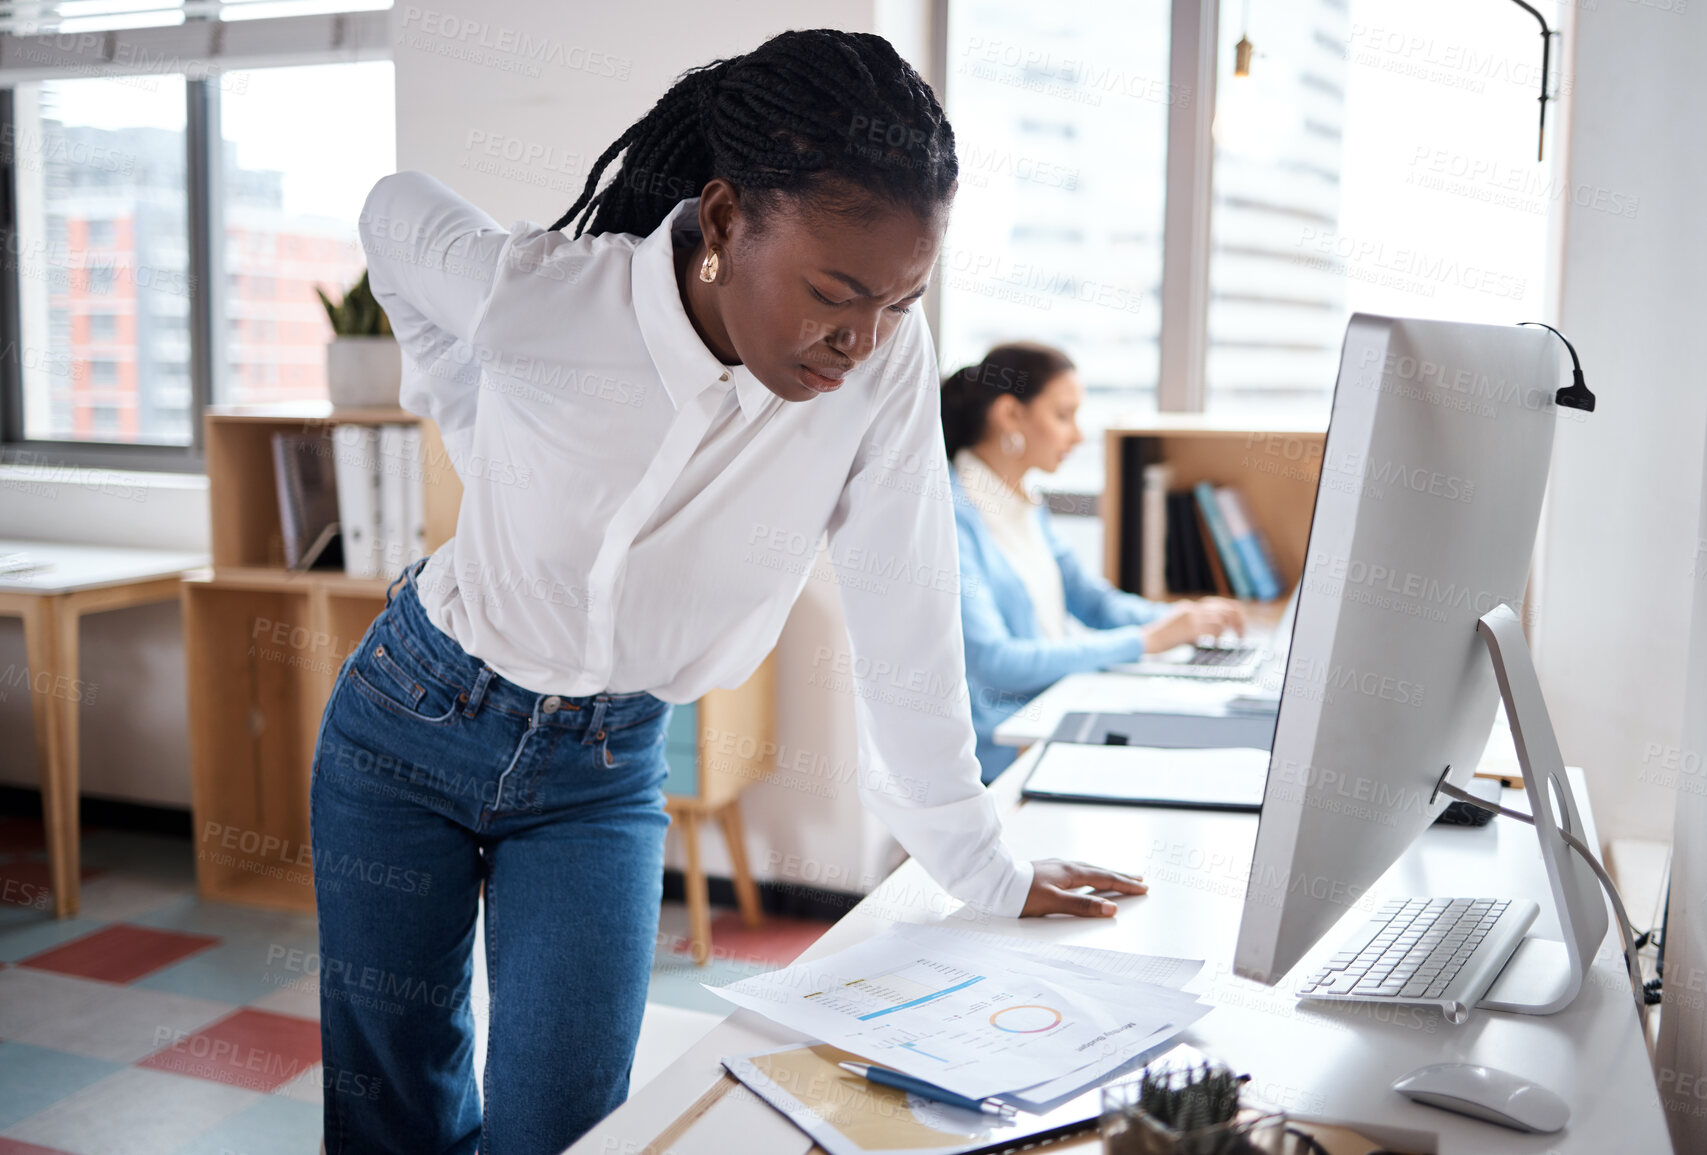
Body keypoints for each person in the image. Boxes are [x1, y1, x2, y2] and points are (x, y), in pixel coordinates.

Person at [312, 29, 1148, 1155]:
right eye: (834, 295)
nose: (861, 340)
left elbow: (906, 600)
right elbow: (393, 211)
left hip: (598, 775)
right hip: (409, 721)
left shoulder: (883, 369)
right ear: (722, 221)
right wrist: (472, 415)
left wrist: (985, 865)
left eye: (900, 302)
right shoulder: (546, 299)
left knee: (568, 1131)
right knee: (394, 1116)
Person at [940, 343, 1246, 782]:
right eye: (1063, 416)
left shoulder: (1021, 500)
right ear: (1010, 415)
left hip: (1048, 718)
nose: (1078, 436)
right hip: (1002, 756)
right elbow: (995, 662)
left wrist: (1183, 620)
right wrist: (1144, 640)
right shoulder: (953, 512)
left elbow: (1092, 602)